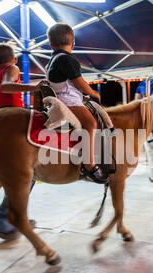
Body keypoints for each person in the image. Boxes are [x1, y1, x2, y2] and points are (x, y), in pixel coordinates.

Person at [0, 44, 41, 240]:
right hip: (13, 120)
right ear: (14, 58)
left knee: (15, 175)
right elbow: (6, 86)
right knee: (30, 171)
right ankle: (5, 218)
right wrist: (34, 87)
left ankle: (11, 216)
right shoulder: (12, 69)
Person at [46, 23, 108, 184]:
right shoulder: (67, 59)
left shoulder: (53, 59)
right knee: (90, 123)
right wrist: (94, 93)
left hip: (65, 97)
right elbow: (80, 83)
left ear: (51, 43)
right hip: (69, 101)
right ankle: (89, 164)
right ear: (73, 43)